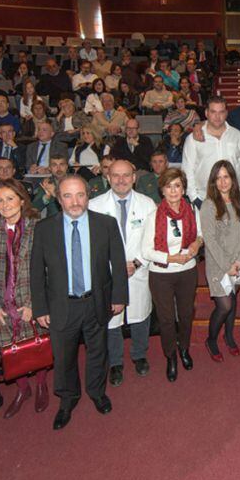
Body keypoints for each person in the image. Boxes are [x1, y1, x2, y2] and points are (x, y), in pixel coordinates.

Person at [30, 174, 128, 430]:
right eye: (68, 195)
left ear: (88, 196)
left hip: (97, 301)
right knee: (63, 357)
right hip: (61, 305)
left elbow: (117, 263)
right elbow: (36, 271)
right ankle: (67, 399)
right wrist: (40, 307)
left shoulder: (105, 224)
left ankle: (96, 392)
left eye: (80, 195)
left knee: (98, 351)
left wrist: (119, 297)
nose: (75, 202)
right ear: (58, 198)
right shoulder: (44, 229)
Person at [0, 179, 47, 419]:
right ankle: (22, 390)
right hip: (1, 304)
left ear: (22, 200)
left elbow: (45, 270)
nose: (5, 204)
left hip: (30, 301)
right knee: (10, 350)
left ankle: (40, 385)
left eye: (10, 198)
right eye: (0, 200)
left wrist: (33, 304)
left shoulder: (38, 227)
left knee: (37, 346)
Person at [89, 160, 157, 384]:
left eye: (126, 175)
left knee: (140, 316)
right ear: (108, 177)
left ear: (134, 177)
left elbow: (153, 240)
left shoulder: (148, 205)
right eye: (115, 175)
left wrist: (136, 263)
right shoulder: (94, 206)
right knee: (112, 320)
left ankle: (139, 355)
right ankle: (116, 363)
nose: (120, 180)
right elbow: (92, 245)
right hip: (107, 273)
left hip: (138, 269)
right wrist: (114, 268)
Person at [141, 168, 203, 382]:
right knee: (167, 319)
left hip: (187, 271)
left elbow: (201, 235)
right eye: (169, 186)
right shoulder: (154, 216)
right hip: (161, 273)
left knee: (186, 315)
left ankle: (184, 349)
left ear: (183, 188)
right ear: (162, 190)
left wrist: (196, 243)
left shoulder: (193, 210)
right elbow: (146, 251)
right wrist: (170, 258)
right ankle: (171, 357)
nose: (173, 190)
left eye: (177, 185)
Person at [201, 161, 240, 362]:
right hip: (218, 264)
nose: (222, 182)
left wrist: (239, 261)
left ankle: (229, 336)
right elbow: (209, 240)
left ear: (232, 179)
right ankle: (211, 339)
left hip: (238, 261)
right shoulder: (209, 205)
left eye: (226, 177)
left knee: (233, 298)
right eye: (218, 178)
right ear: (213, 181)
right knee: (225, 305)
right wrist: (226, 266)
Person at [182, 97, 240, 207]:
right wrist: (194, 197)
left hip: (234, 199)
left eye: (221, 112)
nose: (217, 116)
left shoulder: (237, 135)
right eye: (213, 112)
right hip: (204, 198)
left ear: (226, 113)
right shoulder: (193, 139)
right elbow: (187, 168)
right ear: (206, 113)